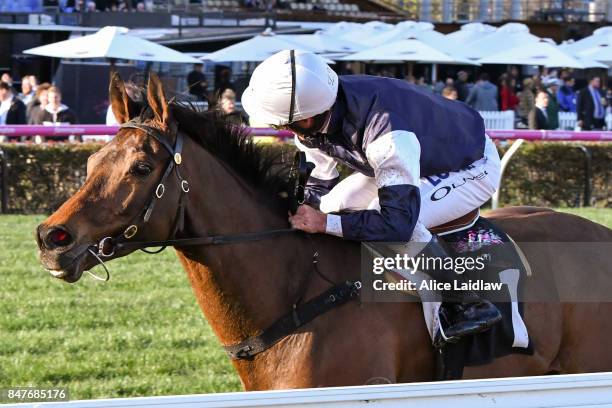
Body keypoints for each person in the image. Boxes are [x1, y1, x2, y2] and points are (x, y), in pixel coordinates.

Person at [241, 50, 502, 347]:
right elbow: (320, 186)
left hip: (468, 165)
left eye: (282, 124)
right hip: (412, 157)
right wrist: (306, 210)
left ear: (308, 118)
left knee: (400, 223)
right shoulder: (317, 106)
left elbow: (398, 224)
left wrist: (325, 224)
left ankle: (467, 302)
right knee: (333, 205)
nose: (281, 130)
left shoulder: (385, 135)